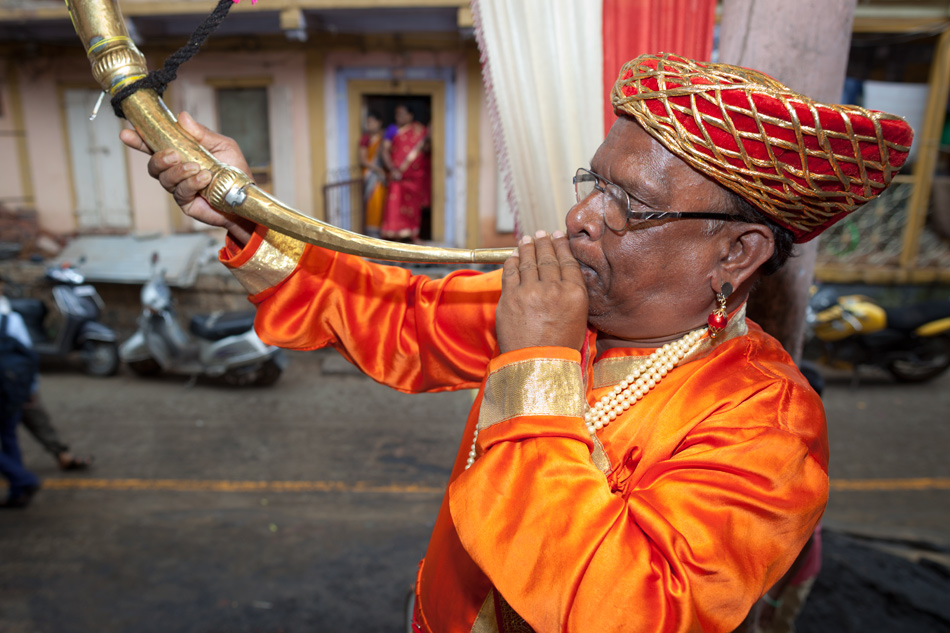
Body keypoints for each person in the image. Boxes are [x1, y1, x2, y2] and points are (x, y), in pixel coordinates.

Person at [121, 53, 912, 633]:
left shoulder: (767, 422)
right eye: (592, 181)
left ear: (736, 255)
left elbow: (628, 611)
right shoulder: (563, 302)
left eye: (628, 204)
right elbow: (395, 314)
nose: (582, 217)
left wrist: (536, 365)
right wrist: (244, 209)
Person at [0, 284, 41, 509]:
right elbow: (29, 357)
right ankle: (18, 492)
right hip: (12, 390)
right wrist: (31, 388)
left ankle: (24, 480)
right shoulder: (12, 320)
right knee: (9, 439)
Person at [380, 103, 431, 242]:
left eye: (402, 114)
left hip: (414, 177)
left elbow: (425, 150)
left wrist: (428, 137)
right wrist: (392, 168)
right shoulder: (392, 130)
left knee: (413, 206)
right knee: (394, 205)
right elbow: (385, 151)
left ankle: (413, 235)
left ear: (410, 115)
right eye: (397, 114)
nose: (399, 117)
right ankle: (392, 238)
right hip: (397, 175)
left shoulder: (419, 131)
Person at [358, 110, 388, 237]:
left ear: (379, 123)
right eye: (367, 122)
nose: (368, 125)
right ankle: (372, 236)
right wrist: (377, 169)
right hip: (371, 175)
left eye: (371, 122)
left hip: (382, 176)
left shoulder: (384, 137)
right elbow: (363, 160)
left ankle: (384, 234)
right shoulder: (365, 139)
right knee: (373, 205)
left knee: (384, 204)